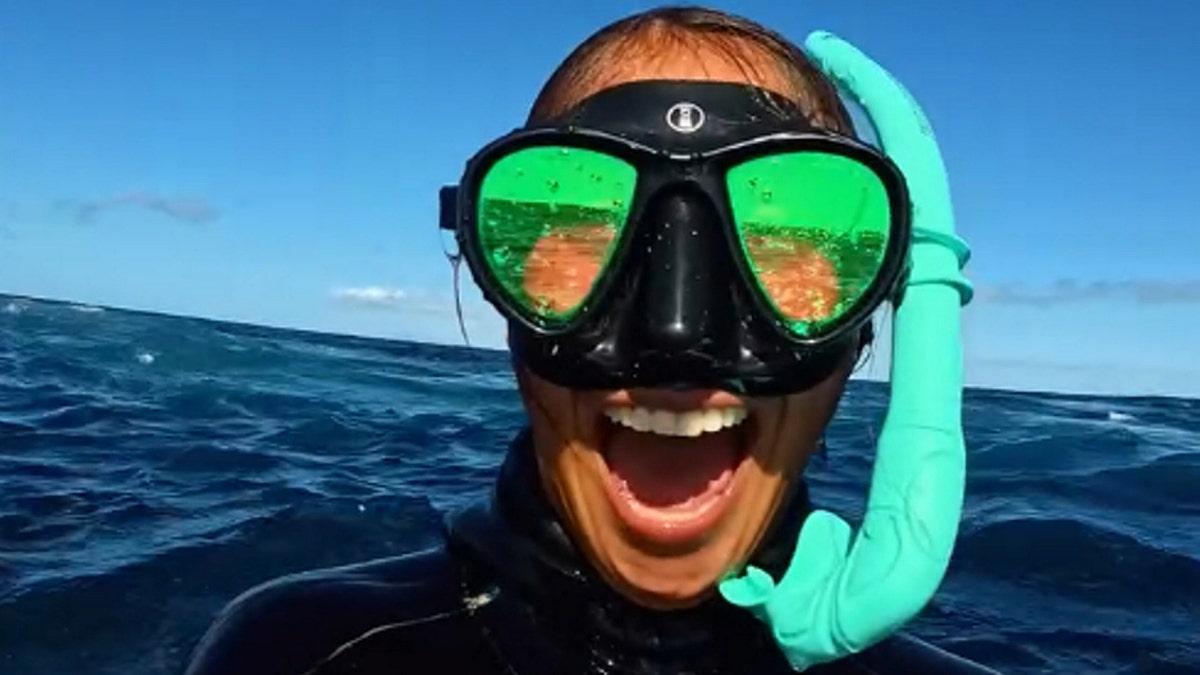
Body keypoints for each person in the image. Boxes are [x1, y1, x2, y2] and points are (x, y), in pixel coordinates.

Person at [183, 6, 994, 674]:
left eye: (782, 248)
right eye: (580, 236)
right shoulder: (299, 655)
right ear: (498, 286)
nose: (680, 338)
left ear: (872, 314)